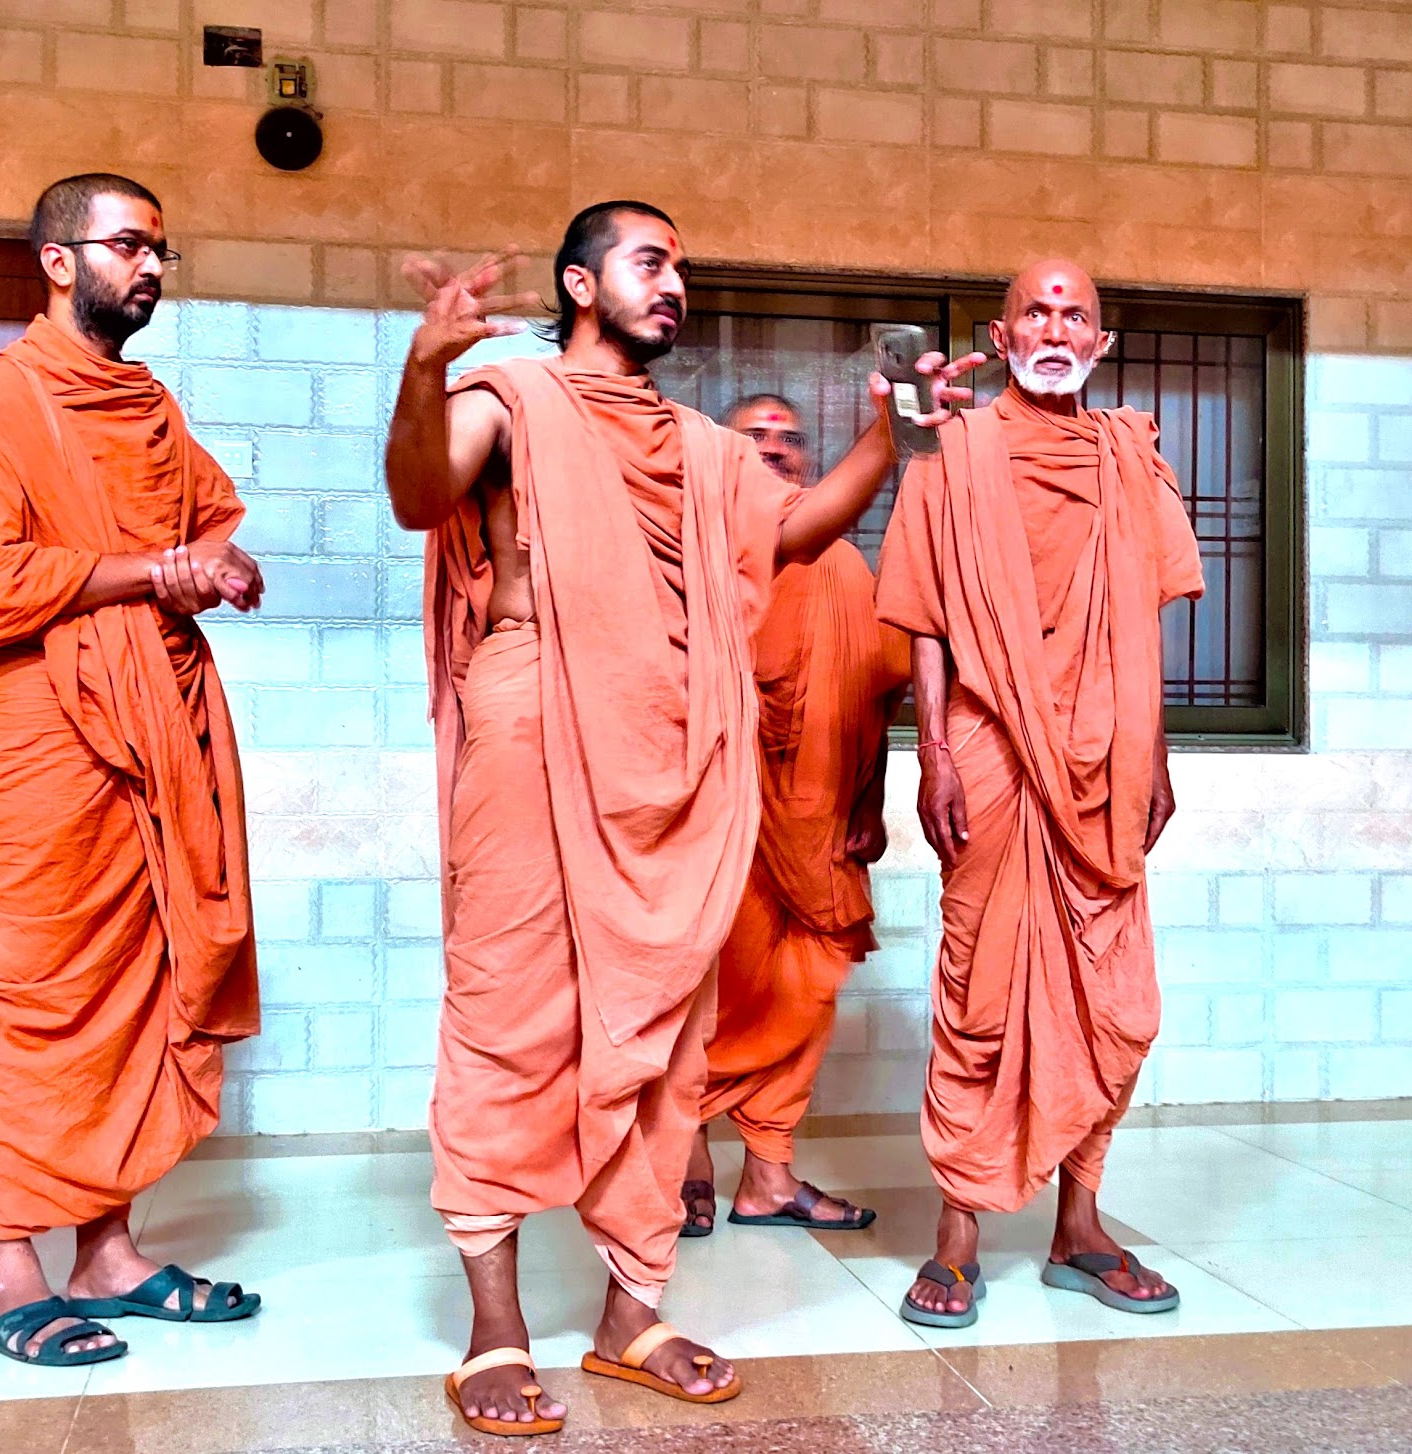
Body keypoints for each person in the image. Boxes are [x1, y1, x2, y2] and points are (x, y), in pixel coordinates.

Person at [387, 202, 978, 1436]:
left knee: (666, 1032)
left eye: (681, 268)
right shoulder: (511, 397)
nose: (675, 285)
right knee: (506, 1010)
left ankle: (629, 1310)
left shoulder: (702, 447)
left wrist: (892, 436)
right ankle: (495, 1328)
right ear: (579, 282)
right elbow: (416, 490)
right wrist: (428, 359)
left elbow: (796, 530)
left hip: (669, 747)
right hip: (535, 720)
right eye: (650, 263)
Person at [0, 173, 266, 1367]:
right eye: (127, 243)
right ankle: (2, 1277)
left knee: (138, 982)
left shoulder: (150, 404)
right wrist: (148, 572)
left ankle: (107, 1254)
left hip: (153, 731)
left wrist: (218, 565)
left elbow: (209, 518)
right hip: (42, 743)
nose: (151, 264)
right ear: (60, 262)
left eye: (161, 246)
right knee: (30, 990)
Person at [874, 259, 1204, 1329]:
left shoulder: (1129, 459)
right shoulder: (951, 453)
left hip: (1107, 755)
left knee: (1117, 997)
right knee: (975, 991)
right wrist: (929, 749)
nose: (1055, 327)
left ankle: (1080, 1225)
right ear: (1002, 332)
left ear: (1100, 343)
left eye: (1076, 314)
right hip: (989, 747)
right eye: (1037, 311)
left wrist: (1152, 756)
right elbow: (924, 613)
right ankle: (957, 1235)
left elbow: (1139, 617)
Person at [682, 394, 911, 1238]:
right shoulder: (699, 558)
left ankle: (768, 1175)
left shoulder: (846, 566)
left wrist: (871, 801)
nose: (776, 451)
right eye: (755, 438)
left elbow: (875, 695)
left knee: (809, 983)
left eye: (791, 439)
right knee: (710, 988)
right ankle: (685, 1152)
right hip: (717, 821)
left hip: (819, 824)